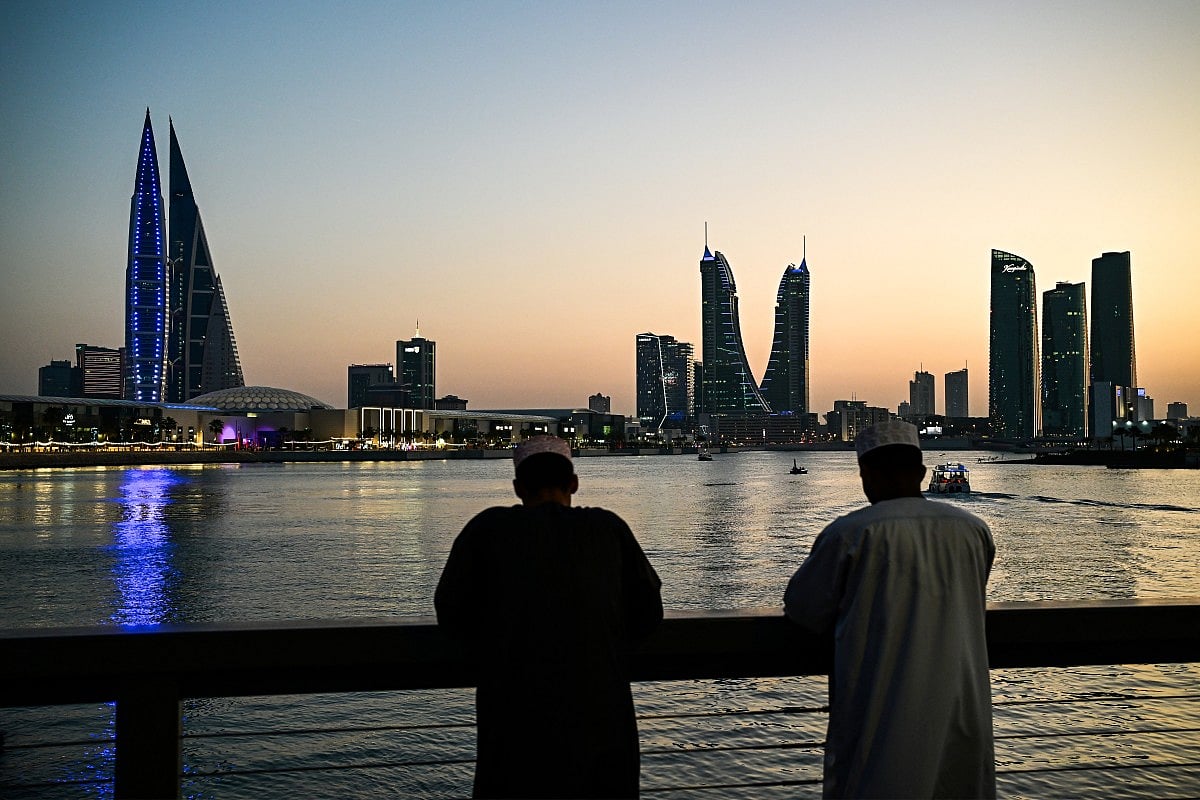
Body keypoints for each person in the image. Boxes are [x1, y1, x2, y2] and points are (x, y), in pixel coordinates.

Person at [435, 435, 663, 799]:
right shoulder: (608, 529)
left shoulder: (486, 530)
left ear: (517, 488)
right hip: (602, 721)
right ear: (573, 483)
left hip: (513, 725)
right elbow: (649, 613)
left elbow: (450, 613)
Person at [783, 420, 996, 798]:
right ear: (921, 473)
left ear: (866, 474)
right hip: (962, 700)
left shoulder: (850, 533)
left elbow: (803, 609)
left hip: (880, 700)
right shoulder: (972, 530)